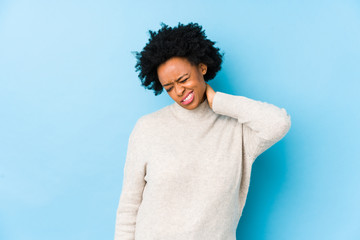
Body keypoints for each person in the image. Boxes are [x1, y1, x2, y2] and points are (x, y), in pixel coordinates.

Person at [114, 22, 291, 240]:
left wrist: (218, 101)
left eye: (183, 79)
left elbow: (278, 123)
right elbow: (129, 206)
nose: (179, 91)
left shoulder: (237, 130)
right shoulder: (147, 128)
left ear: (202, 68)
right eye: (169, 87)